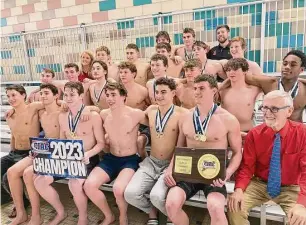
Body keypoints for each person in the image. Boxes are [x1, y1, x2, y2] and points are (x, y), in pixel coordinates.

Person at [165, 74, 242, 225]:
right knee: (171, 204)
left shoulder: (228, 119)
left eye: (202, 88)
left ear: (214, 91)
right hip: (189, 173)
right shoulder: (185, 117)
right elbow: (180, 148)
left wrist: (227, 173)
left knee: (215, 207)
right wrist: (170, 168)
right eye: (195, 88)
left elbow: (238, 152)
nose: (197, 92)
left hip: (214, 176)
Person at [228, 90, 306, 225]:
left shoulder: (302, 133)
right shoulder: (255, 134)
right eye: (264, 107)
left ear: (289, 111)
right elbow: (246, 167)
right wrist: (239, 189)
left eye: (274, 108)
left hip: (292, 187)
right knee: (235, 208)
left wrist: (302, 204)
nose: (267, 112)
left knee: (299, 219)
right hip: (259, 184)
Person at [34, 81, 105, 225]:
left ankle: (83, 217)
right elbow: (61, 141)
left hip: (87, 159)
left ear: (80, 96)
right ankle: (61, 212)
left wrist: (88, 154)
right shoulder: (62, 116)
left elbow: (101, 144)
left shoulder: (92, 116)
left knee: (74, 183)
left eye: (72, 94)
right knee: (40, 181)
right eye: (66, 95)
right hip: (66, 158)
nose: (68, 98)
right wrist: (39, 153)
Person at [125, 77, 188, 224]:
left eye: (163, 92)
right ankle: (153, 211)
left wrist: (171, 169)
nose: (158, 96)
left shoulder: (182, 114)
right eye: (157, 92)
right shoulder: (151, 110)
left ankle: (174, 215)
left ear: (173, 93)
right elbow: (132, 116)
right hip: (151, 162)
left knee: (157, 196)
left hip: (171, 164)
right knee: (130, 194)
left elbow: (182, 146)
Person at [84, 82, 146, 225]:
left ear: (123, 96)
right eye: (107, 95)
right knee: (89, 186)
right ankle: (109, 215)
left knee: (118, 189)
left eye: (113, 95)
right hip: (111, 158)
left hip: (130, 159)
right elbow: (93, 110)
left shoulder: (135, 114)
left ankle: (123, 216)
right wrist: (88, 109)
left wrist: (143, 137)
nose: (110, 98)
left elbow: (154, 125)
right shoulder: (104, 114)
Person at [2, 85, 42, 224]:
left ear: (23, 95)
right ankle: (17, 201)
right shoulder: (10, 115)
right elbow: (13, 135)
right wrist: (11, 152)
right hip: (15, 152)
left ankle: (21, 208)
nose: (11, 99)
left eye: (14, 95)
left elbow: (53, 103)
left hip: (29, 152)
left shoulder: (33, 107)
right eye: (8, 96)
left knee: (8, 175)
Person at [22, 83, 62, 225]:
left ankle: (61, 212)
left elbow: (84, 107)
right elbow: (44, 136)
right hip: (47, 151)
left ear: (56, 95)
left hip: (60, 153)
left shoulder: (63, 110)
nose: (43, 96)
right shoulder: (41, 113)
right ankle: (35, 214)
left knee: (35, 177)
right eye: (41, 93)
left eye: (46, 93)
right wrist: (36, 149)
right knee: (27, 174)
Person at [238, 50, 306, 123]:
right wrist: (238, 55)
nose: (287, 67)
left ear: (301, 69)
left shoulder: (304, 89)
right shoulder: (269, 83)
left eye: (293, 65)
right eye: (285, 64)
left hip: (295, 132)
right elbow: (244, 76)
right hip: (271, 131)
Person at [219, 58, 261, 135]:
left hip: (247, 132)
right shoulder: (222, 91)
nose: (231, 72)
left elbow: (271, 82)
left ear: (245, 71)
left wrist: (250, 77)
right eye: (228, 70)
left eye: (235, 69)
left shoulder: (255, 90)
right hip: (226, 133)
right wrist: (222, 85)